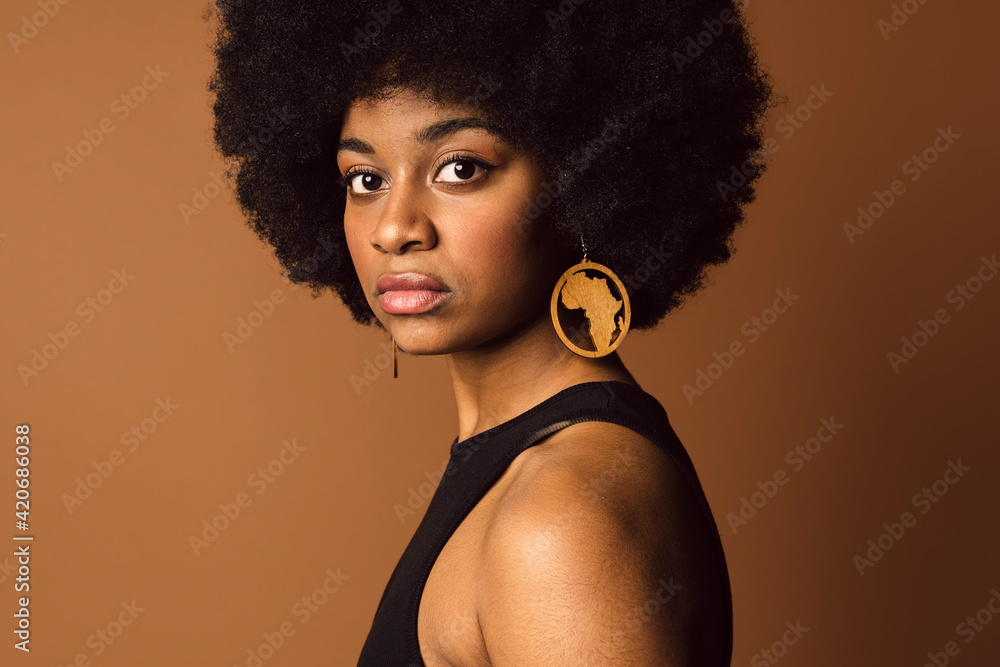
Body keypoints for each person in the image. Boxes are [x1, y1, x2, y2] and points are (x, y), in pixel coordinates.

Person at [208, 0, 776, 663]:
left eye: (461, 168)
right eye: (365, 179)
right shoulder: (526, 465)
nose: (395, 228)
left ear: (584, 180)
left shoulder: (557, 521)